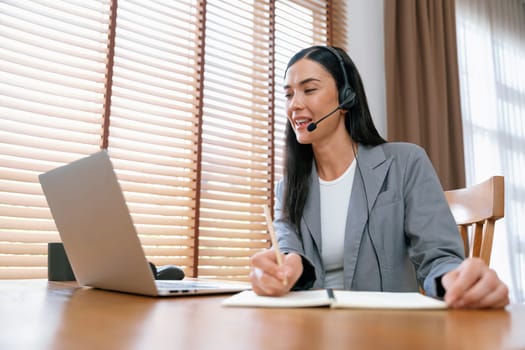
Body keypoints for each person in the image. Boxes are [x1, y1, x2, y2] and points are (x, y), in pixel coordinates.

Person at [250, 45, 509, 309]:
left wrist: (454, 279)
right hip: (312, 331)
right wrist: (281, 271)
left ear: (346, 98)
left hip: (387, 330)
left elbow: (438, 258)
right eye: (288, 94)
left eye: (309, 89)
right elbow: (289, 252)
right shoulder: (287, 189)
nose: (295, 104)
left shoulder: (406, 163)